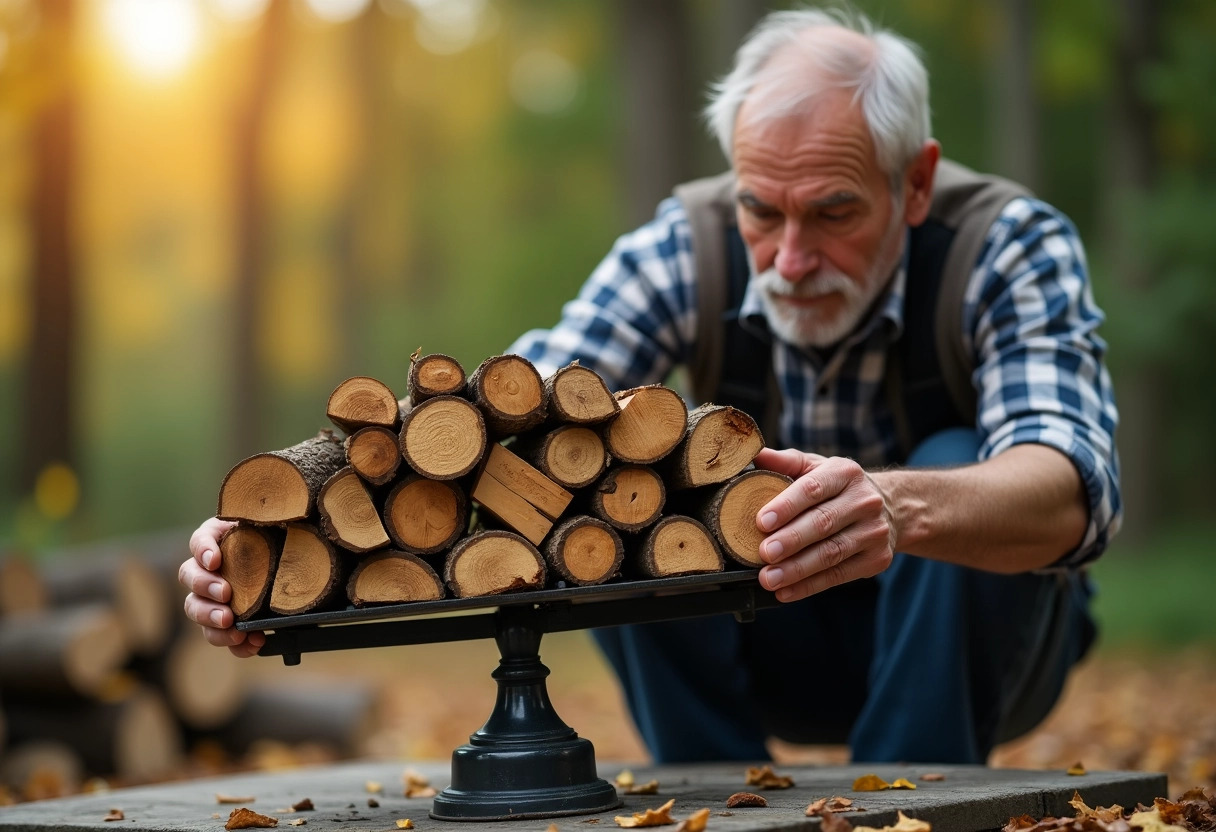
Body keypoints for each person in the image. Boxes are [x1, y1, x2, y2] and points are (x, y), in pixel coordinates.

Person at [181, 6, 1119, 765]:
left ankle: (917, 798)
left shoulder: (1009, 243)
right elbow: (514, 411)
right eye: (762, 208)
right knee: (606, 489)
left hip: (978, 649)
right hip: (759, 634)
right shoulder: (686, 243)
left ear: (915, 185)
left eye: (834, 211)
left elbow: (1077, 487)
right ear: (734, 176)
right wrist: (267, 543)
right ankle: (716, 791)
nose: (790, 259)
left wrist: (896, 505)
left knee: (957, 459)